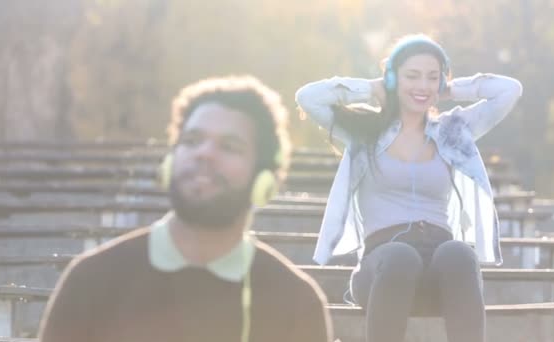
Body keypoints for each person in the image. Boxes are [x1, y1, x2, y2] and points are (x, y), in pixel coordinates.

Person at [39, 76, 333, 342]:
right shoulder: (90, 279)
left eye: (229, 146)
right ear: (169, 162)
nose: (204, 153)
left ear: (264, 180)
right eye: (192, 141)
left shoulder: (297, 301)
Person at [296, 34, 522, 342]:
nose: (423, 86)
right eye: (412, 76)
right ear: (393, 78)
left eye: (432, 77)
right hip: (383, 270)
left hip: (440, 273)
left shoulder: (452, 131)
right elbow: (308, 97)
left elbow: (510, 91)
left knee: (458, 252)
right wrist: (372, 87)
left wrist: (452, 89)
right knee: (401, 256)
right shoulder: (365, 131)